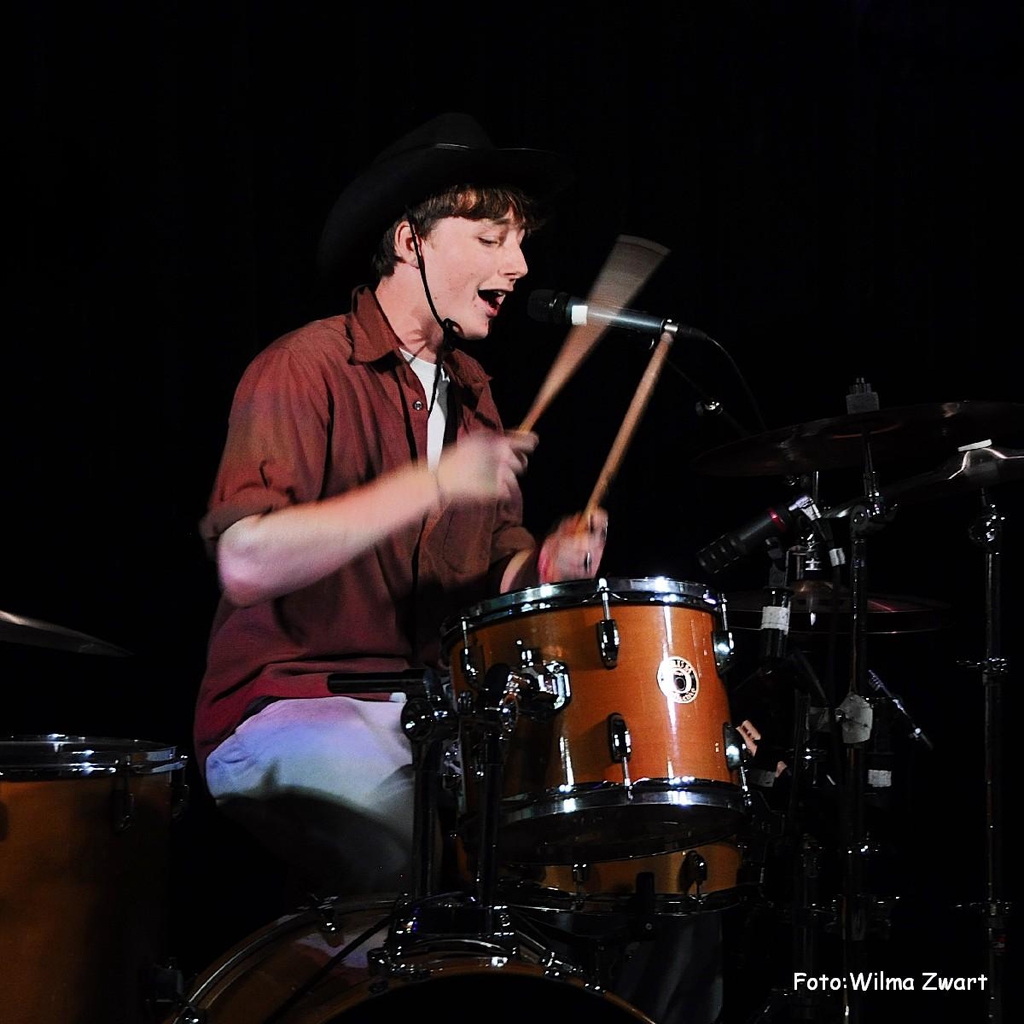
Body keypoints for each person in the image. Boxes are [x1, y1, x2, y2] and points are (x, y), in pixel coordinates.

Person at [192, 111, 609, 907]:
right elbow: (245, 561)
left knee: (583, 848)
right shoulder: (303, 367)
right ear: (411, 242)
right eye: (491, 239)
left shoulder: (476, 398)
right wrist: (434, 483)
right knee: (410, 846)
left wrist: (546, 567)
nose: (520, 265)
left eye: (521, 242)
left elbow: (493, 577)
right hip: (287, 705)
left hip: (425, 714)